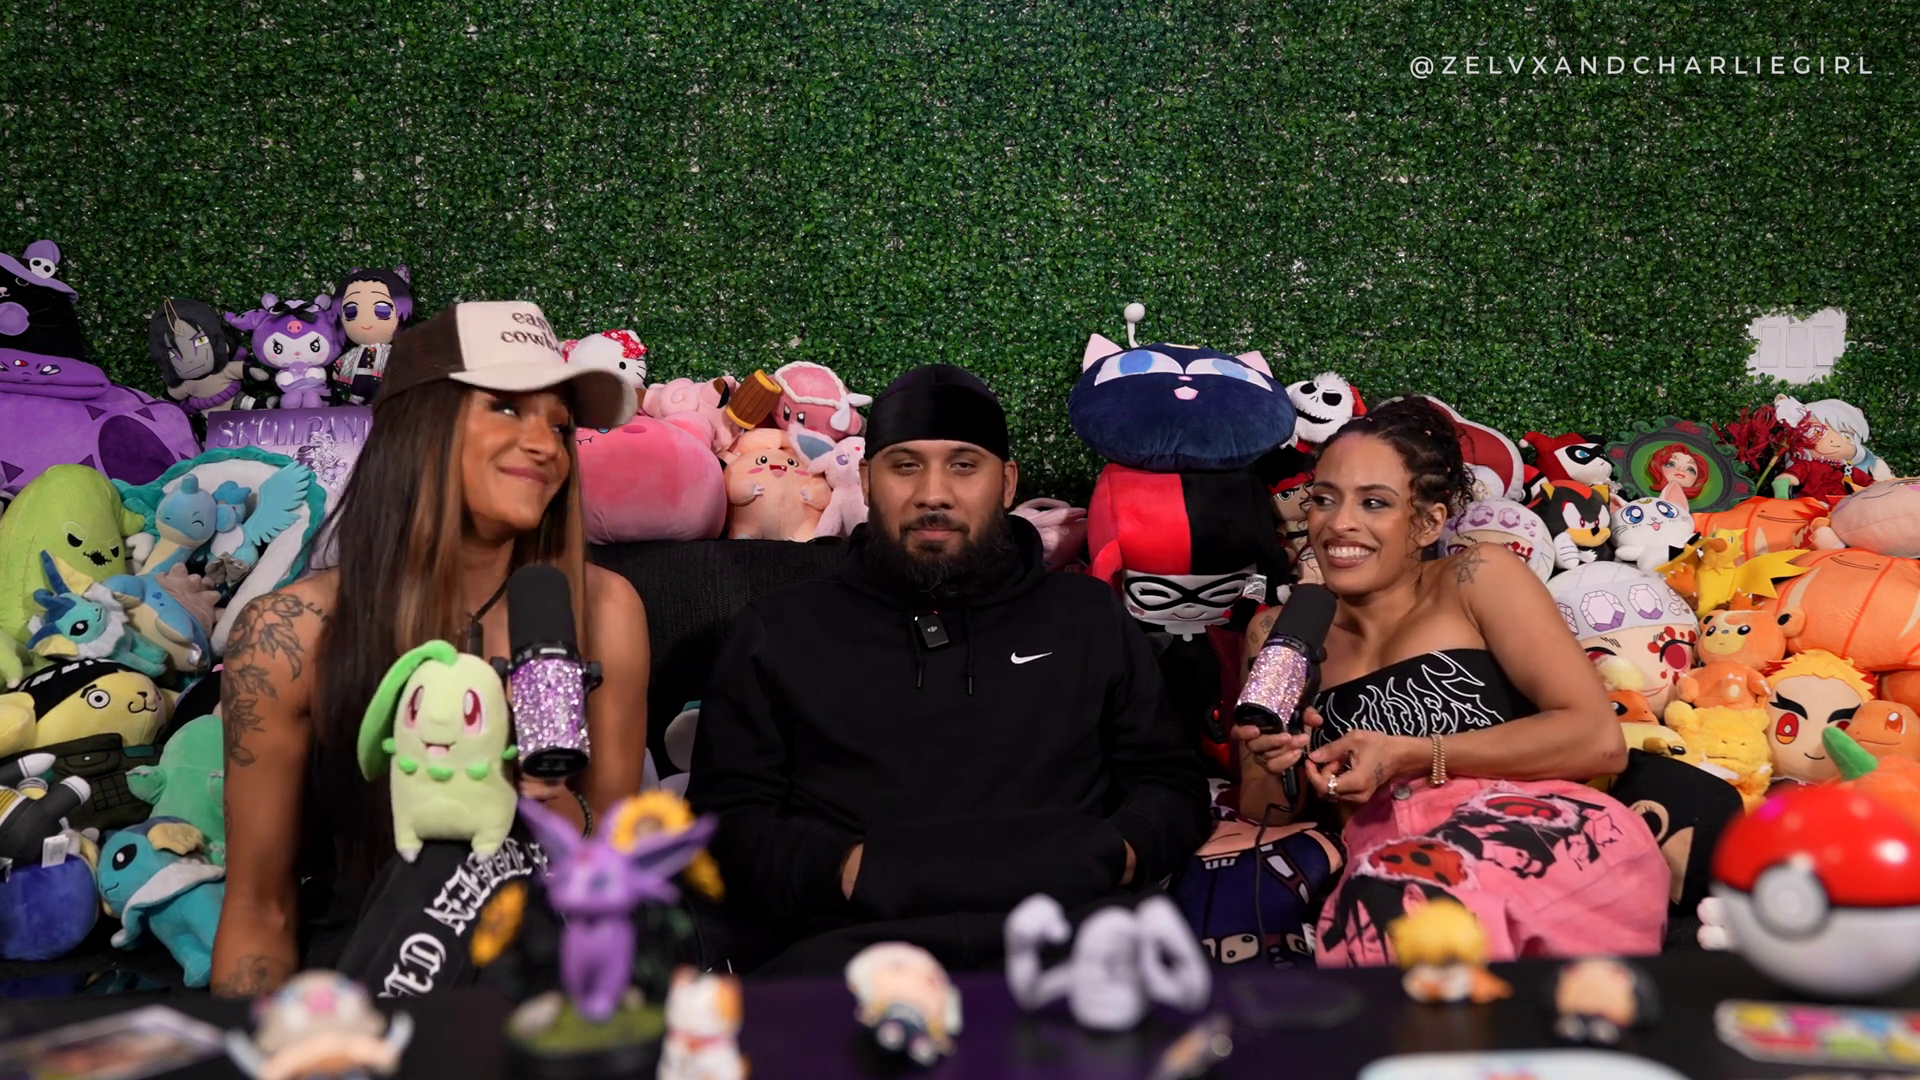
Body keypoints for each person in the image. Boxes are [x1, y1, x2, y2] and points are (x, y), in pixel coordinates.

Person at [688, 364, 1210, 975]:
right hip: (848, 958)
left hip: (1079, 951)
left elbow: (1170, 785)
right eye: (905, 465)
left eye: (964, 465)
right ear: (866, 479)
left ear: (1007, 483)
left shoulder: (1087, 615)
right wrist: (851, 870)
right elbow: (724, 822)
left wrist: (1109, 853)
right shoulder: (780, 628)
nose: (933, 493)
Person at [211, 300, 653, 998]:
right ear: (421, 425)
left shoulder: (605, 610)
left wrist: (548, 802)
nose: (546, 446)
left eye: (560, 426)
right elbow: (259, 908)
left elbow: (612, 873)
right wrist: (267, 1045)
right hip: (371, 990)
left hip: (547, 984)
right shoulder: (287, 632)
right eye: (506, 407)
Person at [1234, 396, 1667, 966]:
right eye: (1324, 499)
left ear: (1428, 523)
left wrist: (1415, 755)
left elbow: (1597, 740)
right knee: (1393, 921)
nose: (1339, 523)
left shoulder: (1476, 576)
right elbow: (1264, 812)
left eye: (1374, 502)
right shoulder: (1276, 632)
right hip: (1392, 874)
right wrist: (1278, 763)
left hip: (1537, 838)